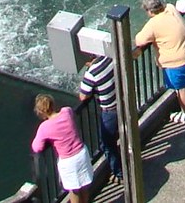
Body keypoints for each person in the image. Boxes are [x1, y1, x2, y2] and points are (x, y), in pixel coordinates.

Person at [133, 0, 185, 127]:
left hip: (178, 62)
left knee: (182, 88)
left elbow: (139, 40)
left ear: (149, 11)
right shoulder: (170, 8)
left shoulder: (153, 24)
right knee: (182, 85)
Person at [30, 93, 94, 203]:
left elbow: (37, 148)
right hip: (81, 153)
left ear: (41, 111)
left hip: (69, 161)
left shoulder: (44, 127)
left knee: (74, 191)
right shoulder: (67, 111)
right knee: (84, 186)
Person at [78, 55, 121, 184]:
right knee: (119, 136)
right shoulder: (108, 58)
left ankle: (119, 174)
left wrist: (87, 73)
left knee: (107, 144)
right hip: (121, 103)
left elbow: (83, 96)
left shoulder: (92, 73)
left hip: (109, 111)